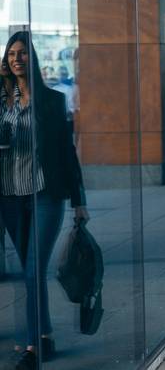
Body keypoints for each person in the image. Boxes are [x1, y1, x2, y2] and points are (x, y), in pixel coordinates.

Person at [1, 31, 89, 370]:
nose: (17, 59)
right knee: (29, 271)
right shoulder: (0, 100)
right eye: (11, 54)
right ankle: (46, 335)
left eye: (22, 53)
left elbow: (67, 153)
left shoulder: (51, 101)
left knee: (34, 270)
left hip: (43, 194)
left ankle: (32, 348)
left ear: (31, 58)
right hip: (9, 195)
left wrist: (79, 201)